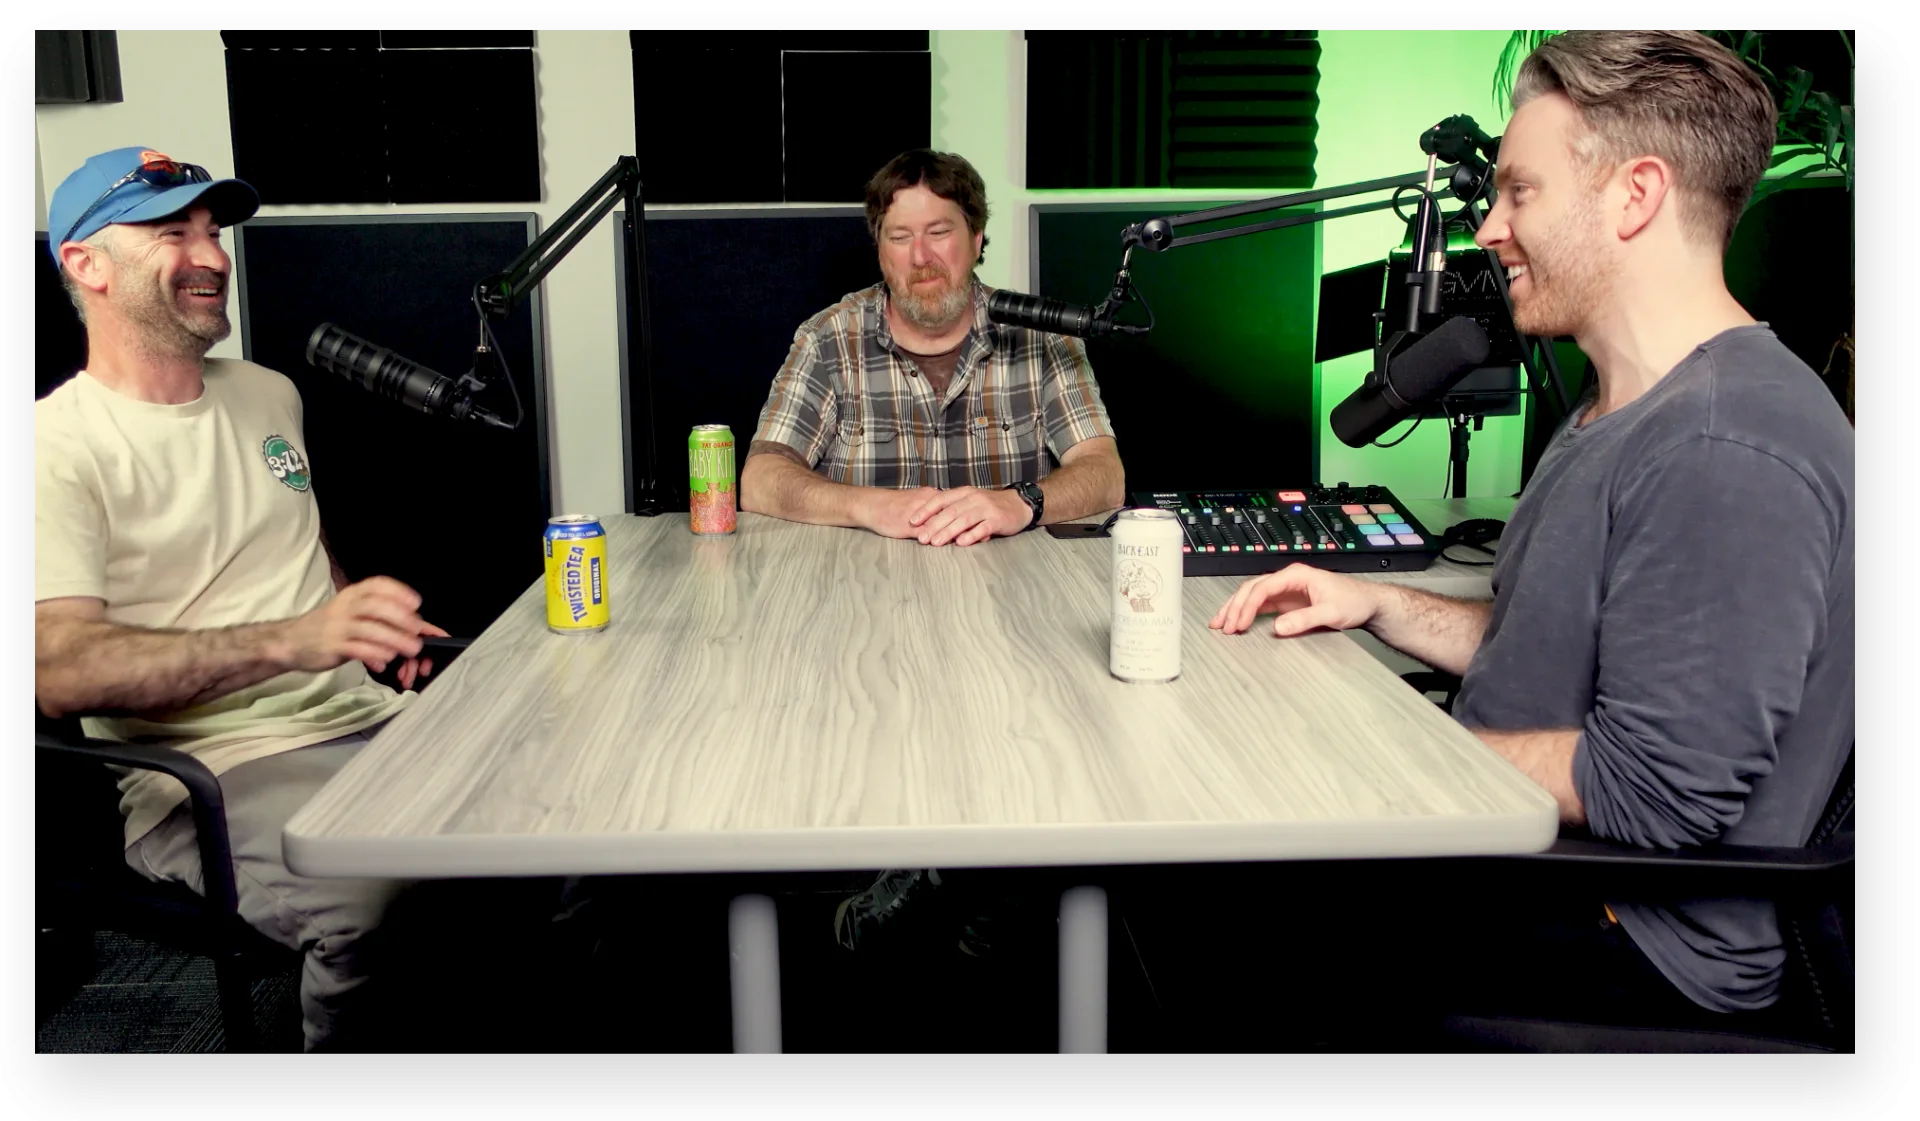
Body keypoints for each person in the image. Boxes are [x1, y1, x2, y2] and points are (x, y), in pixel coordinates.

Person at [1210, 29, 1853, 1027]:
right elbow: (1559, 648)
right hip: (1531, 865)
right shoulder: (1617, 407)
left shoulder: (1726, 445)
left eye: (1521, 191)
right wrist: (1380, 602)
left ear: (1634, 196)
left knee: (1200, 910)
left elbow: (1655, 794)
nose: (1489, 229)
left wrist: (1376, 759)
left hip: (1626, 934)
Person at [34, 147, 445, 1052]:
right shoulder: (56, 446)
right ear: (85, 264)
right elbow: (59, 670)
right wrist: (295, 639)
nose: (212, 254)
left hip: (365, 715)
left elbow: (300, 543)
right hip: (214, 768)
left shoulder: (267, 393)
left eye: (213, 231)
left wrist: (363, 625)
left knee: (575, 828)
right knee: (370, 899)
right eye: (170, 232)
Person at [740, 148, 1125, 546]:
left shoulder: (1044, 337)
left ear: (976, 240)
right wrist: (867, 506)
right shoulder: (827, 339)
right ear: (880, 251)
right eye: (900, 237)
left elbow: (1104, 474)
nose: (921, 256)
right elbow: (761, 480)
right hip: (863, 591)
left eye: (939, 232)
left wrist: (1020, 502)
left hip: (1013, 590)